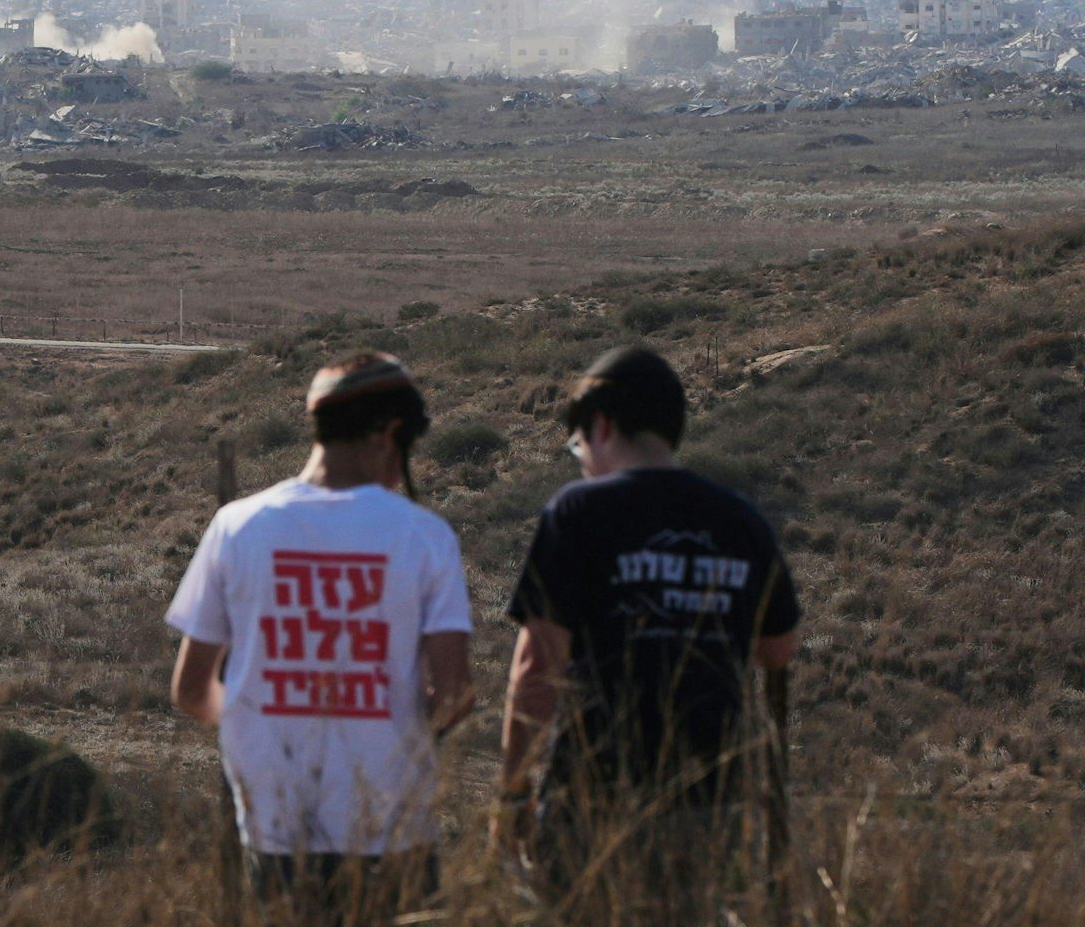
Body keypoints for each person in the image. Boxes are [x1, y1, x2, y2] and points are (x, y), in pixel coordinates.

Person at [493, 345, 801, 915]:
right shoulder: (740, 520)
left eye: (579, 445)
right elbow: (777, 648)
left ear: (602, 426)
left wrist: (513, 790)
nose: (582, 460)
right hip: (708, 797)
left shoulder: (578, 511)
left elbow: (537, 669)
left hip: (592, 794)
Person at [167, 353, 475, 921]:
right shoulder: (425, 536)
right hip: (392, 825)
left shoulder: (236, 526)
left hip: (275, 823)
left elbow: (190, 689)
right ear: (389, 435)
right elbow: (454, 692)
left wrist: (256, 723)